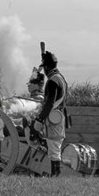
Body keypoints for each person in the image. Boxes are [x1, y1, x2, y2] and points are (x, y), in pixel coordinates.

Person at [35, 47, 69, 177]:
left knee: (54, 150)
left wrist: (39, 119)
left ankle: (56, 176)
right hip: (58, 117)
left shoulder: (52, 81)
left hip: (53, 119)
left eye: (44, 67)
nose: (43, 70)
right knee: (55, 149)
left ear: (47, 67)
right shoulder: (61, 78)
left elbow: (49, 103)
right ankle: (55, 176)